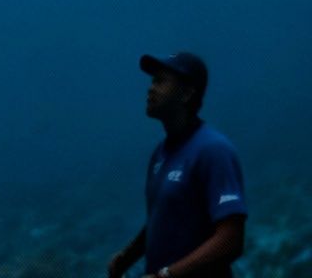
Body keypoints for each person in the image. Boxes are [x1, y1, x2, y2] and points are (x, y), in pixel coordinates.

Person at [106, 52, 248, 278]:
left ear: (187, 93)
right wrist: (128, 255)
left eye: (160, 81)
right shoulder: (160, 154)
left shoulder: (213, 150)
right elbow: (165, 216)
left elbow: (231, 240)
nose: (150, 88)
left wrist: (167, 275)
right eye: (152, 81)